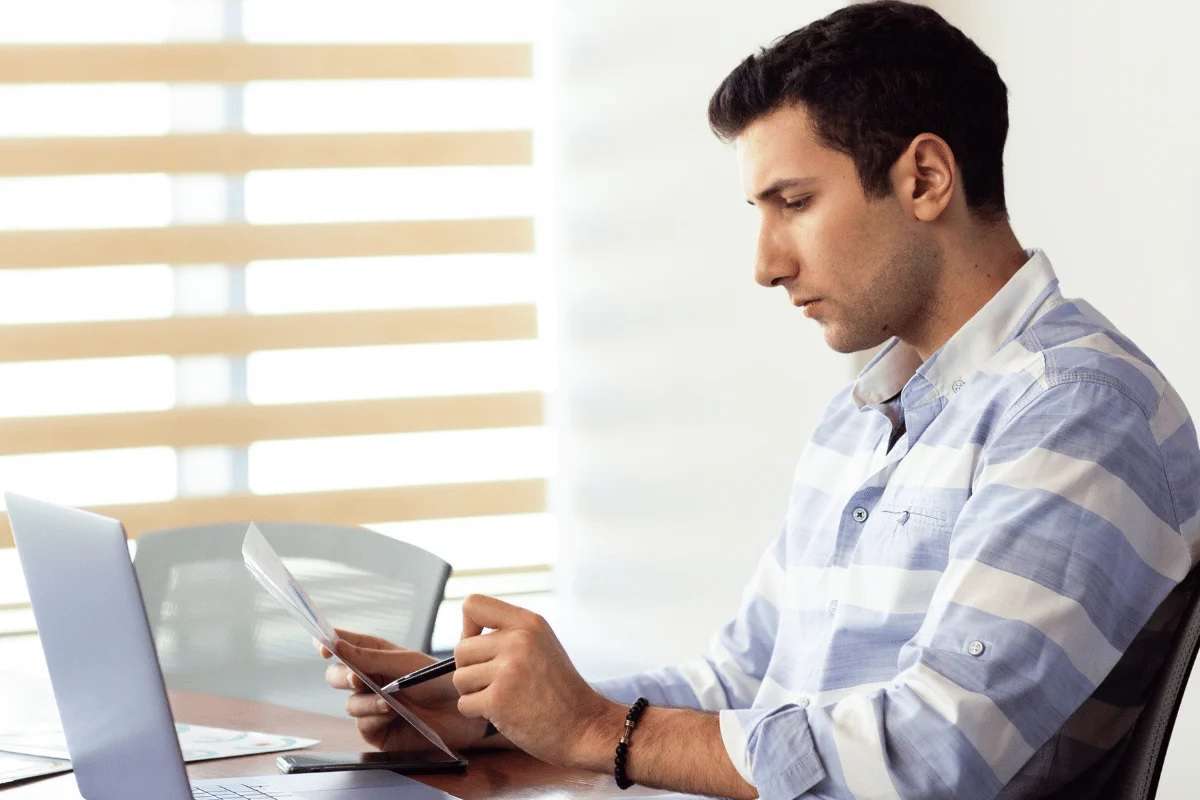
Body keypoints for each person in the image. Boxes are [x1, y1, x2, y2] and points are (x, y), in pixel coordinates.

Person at [317, 3, 1200, 798]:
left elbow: (930, 758)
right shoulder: (861, 419)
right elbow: (743, 684)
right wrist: (503, 709)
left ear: (926, 179)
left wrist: (591, 731)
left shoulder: (1078, 412)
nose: (765, 262)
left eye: (794, 202)